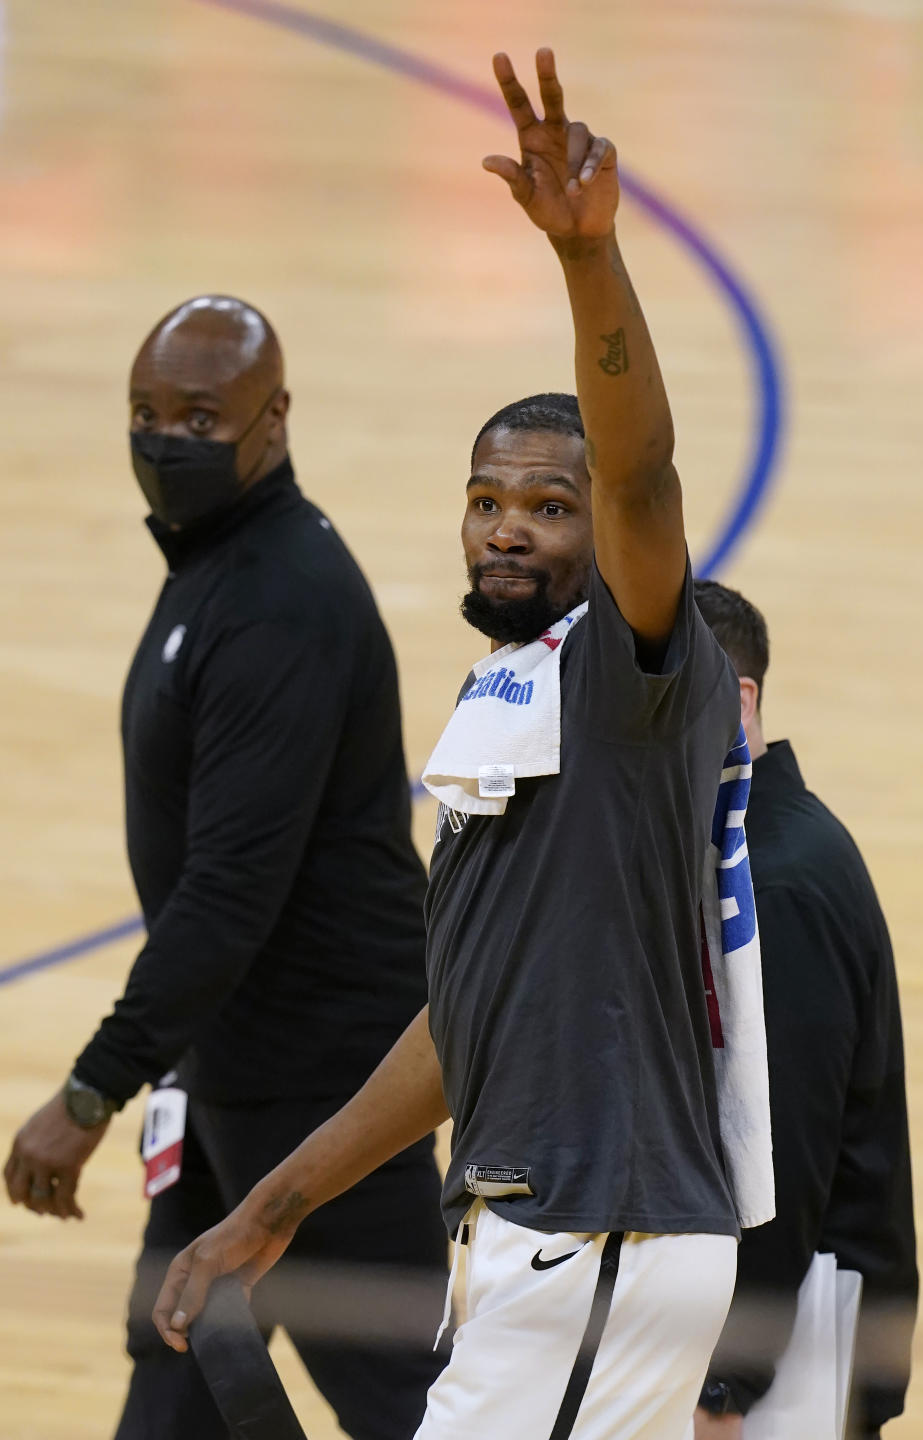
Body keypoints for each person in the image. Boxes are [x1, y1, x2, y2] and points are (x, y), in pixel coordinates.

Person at [152, 51, 773, 1440]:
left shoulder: (633, 670)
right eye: (486, 498)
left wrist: (589, 259)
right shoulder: (516, 697)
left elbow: (642, 468)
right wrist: (272, 1208)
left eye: (547, 508)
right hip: (547, 1240)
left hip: (599, 1235)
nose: (508, 524)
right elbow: (463, 1025)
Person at [2, 294, 449, 1440]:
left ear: (274, 417)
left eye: (200, 415)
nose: (166, 441)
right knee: (178, 1358)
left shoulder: (276, 604)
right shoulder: (224, 561)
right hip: (230, 1063)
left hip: (327, 1083)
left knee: (405, 1400)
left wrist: (95, 1087)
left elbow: (229, 892)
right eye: (146, 414)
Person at [692, 579, 918, 1440]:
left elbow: (776, 1150)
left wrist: (728, 1388)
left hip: (802, 1339)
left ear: (738, 699)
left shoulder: (777, 885)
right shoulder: (752, 847)